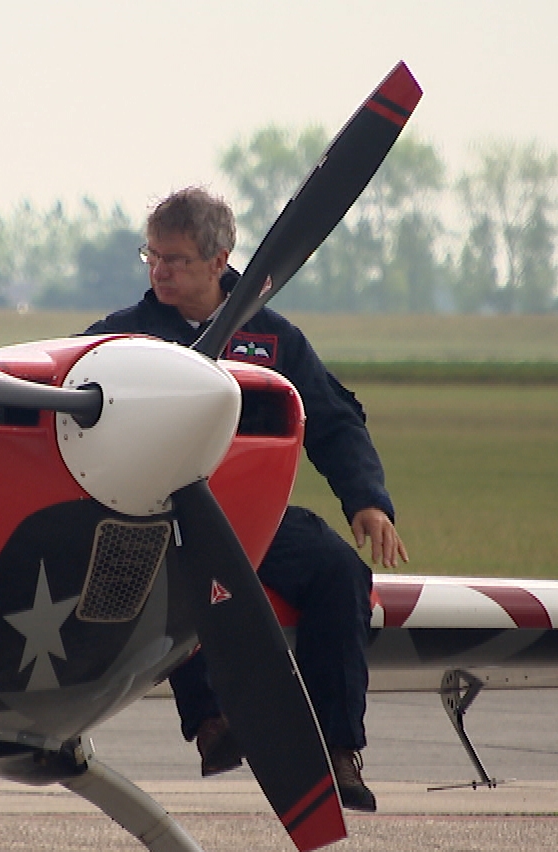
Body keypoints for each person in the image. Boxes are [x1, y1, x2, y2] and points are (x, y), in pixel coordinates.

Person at [83, 187, 406, 812]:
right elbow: (49, 378)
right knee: (183, 564)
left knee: (341, 572)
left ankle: (337, 750)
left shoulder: (274, 338)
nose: (159, 271)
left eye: (174, 259)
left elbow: (334, 419)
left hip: (255, 512)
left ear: (218, 260)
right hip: (162, 514)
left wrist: (368, 498)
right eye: (151, 256)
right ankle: (214, 727)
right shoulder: (125, 336)